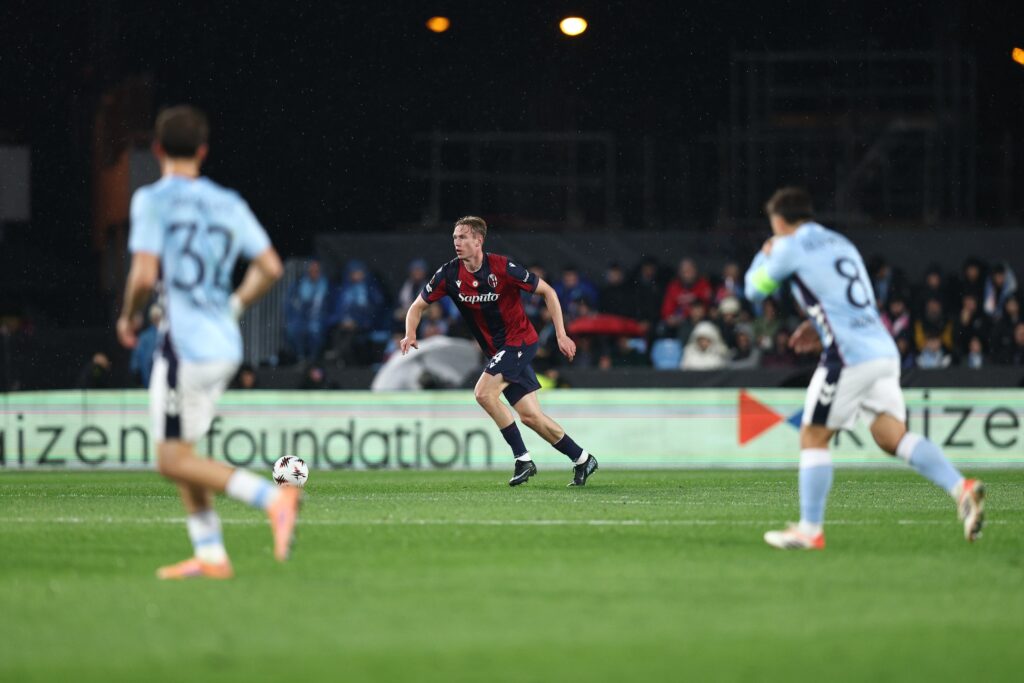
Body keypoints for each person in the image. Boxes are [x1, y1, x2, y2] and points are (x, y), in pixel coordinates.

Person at [744, 187, 984, 550]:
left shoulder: (787, 246)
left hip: (849, 356)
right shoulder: (841, 244)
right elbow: (857, 299)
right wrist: (817, 321)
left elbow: (754, 290)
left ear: (778, 221)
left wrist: (763, 256)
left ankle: (810, 530)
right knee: (892, 436)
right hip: (882, 350)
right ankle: (960, 488)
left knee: (813, 435)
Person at [116, 105, 300, 580]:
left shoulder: (152, 200)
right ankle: (210, 554)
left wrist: (129, 316)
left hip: (185, 345)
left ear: (156, 149)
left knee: (170, 458)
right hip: (223, 339)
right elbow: (271, 268)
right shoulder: (227, 202)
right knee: (186, 455)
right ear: (202, 151)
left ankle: (272, 498)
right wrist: (235, 306)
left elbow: (142, 275)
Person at [400, 216, 599, 487]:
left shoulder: (503, 267)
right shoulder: (448, 274)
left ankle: (523, 460)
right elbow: (416, 307)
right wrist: (410, 333)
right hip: (499, 350)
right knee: (530, 417)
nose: (456, 242)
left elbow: (549, 292)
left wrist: (562, 334)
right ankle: (582, 458)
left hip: (520, 341)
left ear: (478, 240)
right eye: (455, 237)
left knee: (483, 393)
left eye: (463, 237)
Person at [284, 259, 329, 363]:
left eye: (316, 270)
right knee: (293, 330)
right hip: (301, 318)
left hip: (320, 319)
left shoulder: (326, 286)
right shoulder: (299, 285)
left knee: (315, 330)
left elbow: (329, 307)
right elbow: (290, 304)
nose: (313, 272)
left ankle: (313, 360)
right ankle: (301, 358)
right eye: (311, 270)